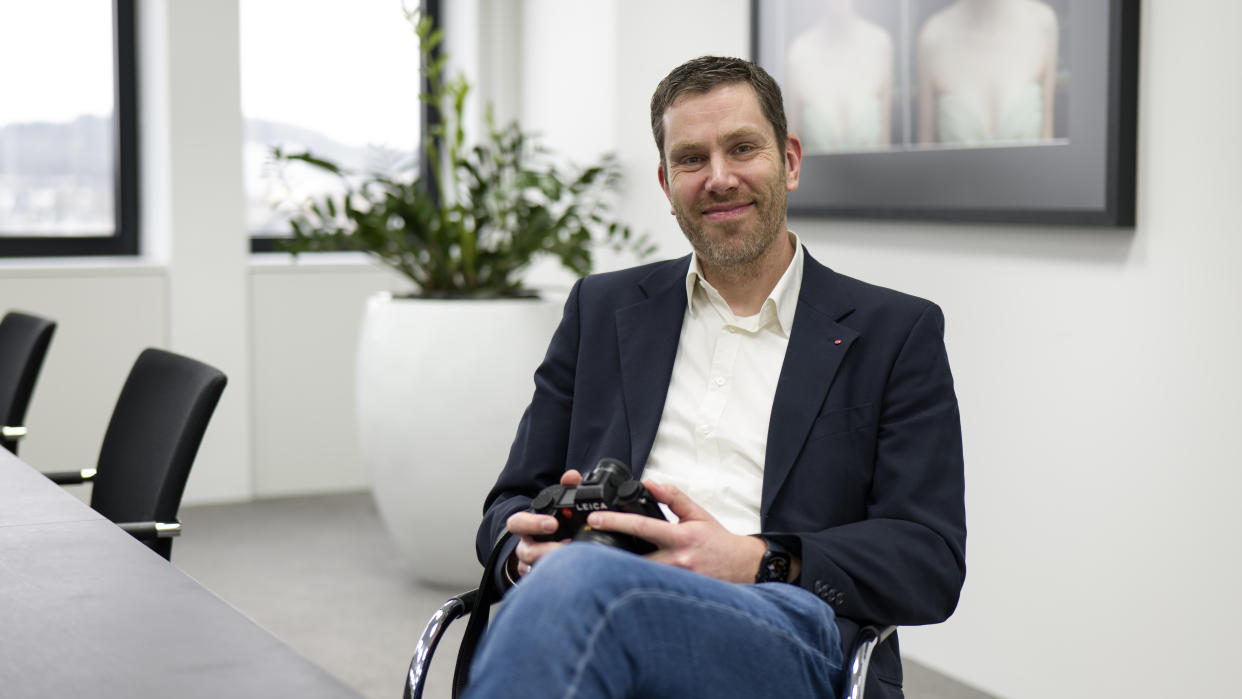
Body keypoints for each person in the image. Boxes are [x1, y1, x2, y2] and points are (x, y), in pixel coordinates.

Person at [462, 55, 966, 699]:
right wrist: (526, 552)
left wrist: (760, 558)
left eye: (742, 148)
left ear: (789, 160)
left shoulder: (896, 332)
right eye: (692, 159)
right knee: (579, 584)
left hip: (787, 625)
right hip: (593, 595)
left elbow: (928, 561)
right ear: (666, 183)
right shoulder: (600, 309)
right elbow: (507, 506)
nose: (719, 178)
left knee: (580, 589)